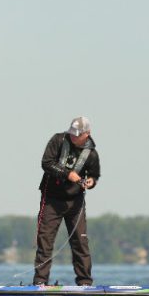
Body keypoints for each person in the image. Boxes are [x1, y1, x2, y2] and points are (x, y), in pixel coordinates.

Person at [33, 116, 101, 286]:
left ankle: (85, 282)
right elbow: (46, 163)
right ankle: (40, 282)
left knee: (80, 242)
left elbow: (94, 175)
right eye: (72, 133)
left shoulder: (92, 154)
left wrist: (91, 182)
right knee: (45, 241)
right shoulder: (57, 140)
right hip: (51, 200)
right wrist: (67, 174)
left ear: (87, 134)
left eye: (77, 134)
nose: (73, 136)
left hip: (75, 203)